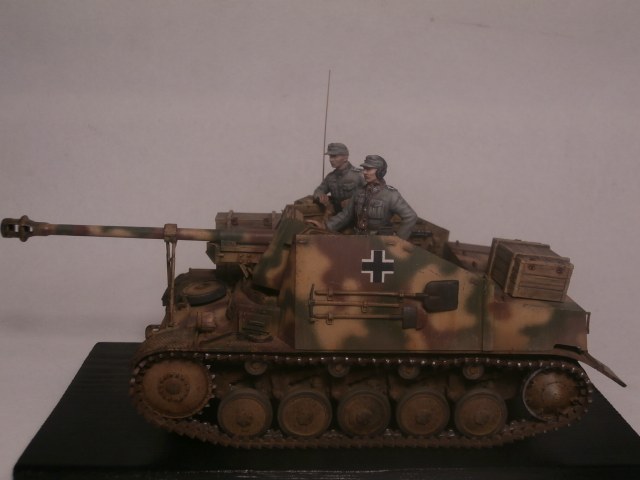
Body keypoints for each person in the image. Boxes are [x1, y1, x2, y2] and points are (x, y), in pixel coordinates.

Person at [321, 155, 418, 240]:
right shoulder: (359, 192)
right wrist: (326, 226)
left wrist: (398, 240)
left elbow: (410, 216)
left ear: (380, 171)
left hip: (379, 243)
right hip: (358, 240)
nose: (364, 172)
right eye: (364, 169)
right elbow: (346, 215)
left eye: (368, 169)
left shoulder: (390, 194)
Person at [313, 142, 365, 213]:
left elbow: (373, 195)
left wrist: (354, 201)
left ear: (345, 158)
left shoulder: (359, 174)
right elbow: (318, 190)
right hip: (337, 214)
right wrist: (320, 196)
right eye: (330, 157)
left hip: (356, 214)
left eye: (334, 156)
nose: (331, 160)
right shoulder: (330, 177)